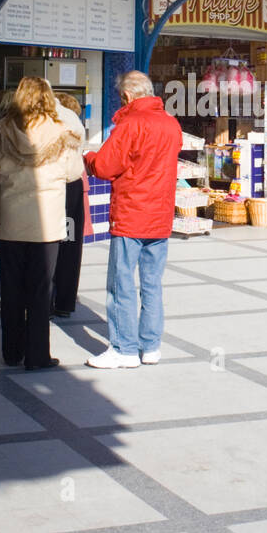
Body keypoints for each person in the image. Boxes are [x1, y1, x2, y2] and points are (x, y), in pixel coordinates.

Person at [83, 70, 182, 369]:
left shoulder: (130, 124)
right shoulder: (171, 124)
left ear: (127, 96)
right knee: (152, 283)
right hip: (161, 215)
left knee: (121, 283)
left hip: (131, 214)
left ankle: (124, 349)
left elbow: (105, 165)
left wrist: (87, 156)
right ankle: (150, 347)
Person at [0, 76, 81, 370]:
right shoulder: (62, 132)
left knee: (11, 288)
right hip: (46, 221)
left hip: (11, 218)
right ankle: (38, 356)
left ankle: (12, 352)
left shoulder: (0, 130)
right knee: (40, 290)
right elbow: (73, 173)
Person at [52, 92, 90, 319]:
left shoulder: (49, 122)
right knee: (70, 245)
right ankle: (65, 301)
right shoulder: (75, 126)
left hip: (56, 192)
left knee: (51, 247)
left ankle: (47, 299)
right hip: (72, 190)